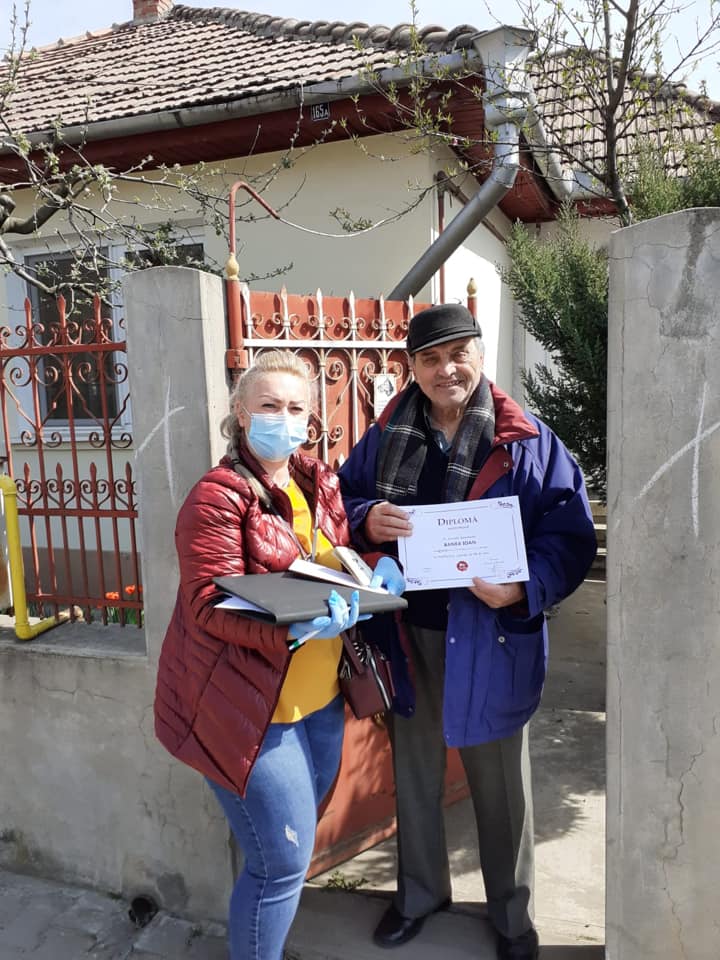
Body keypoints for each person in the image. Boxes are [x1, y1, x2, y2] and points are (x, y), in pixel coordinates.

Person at [338, 304, 597, 960]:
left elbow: (568, 535)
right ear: (412, 368)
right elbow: (342, 499)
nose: (446, 369)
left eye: (458, 354)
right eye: (430, 358)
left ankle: (512, 915)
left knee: (500, 779)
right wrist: (367, 519)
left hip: (492, 635)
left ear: (480, 354)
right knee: (415, 770)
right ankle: (420, 896)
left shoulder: (525, 439)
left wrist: (523, 588)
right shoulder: (387, 433)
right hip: (409, 632)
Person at [153, 350, 403, 960]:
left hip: (319, 700)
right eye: (269, 405)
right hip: (250, 707)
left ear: (310, 418)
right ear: (241, 414)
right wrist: (292, 630)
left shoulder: (320, 481)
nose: (284, 418)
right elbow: (208, 605)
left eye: (295, 408)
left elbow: (332, 557)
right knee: (281, 863)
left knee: (292, 840)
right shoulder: (217, 498)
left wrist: (373, 571)